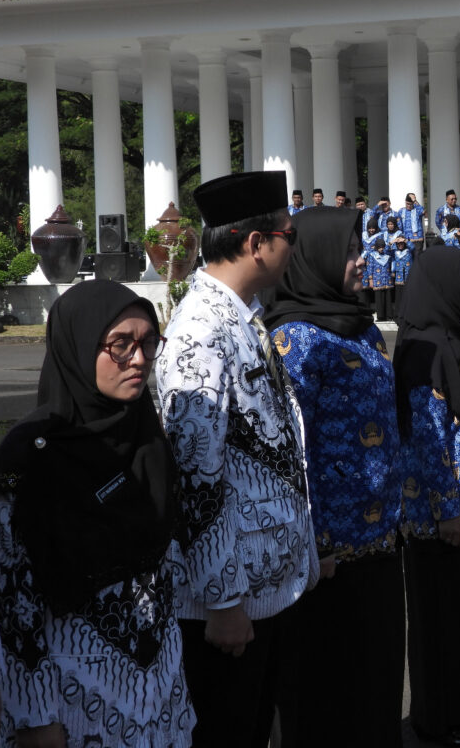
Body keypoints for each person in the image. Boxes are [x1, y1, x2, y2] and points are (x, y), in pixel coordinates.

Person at [0, 280, 194, 748]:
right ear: (78, 345)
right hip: (74, 706)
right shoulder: (30, 459)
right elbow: (12, 607)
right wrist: (38, 720)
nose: (138, 359)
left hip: (161, 695)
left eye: (147, 343)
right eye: (121, 344)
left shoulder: (146, 435)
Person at [157, 170, 320, 747]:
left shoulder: (240, 316)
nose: (292, 247)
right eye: (288, 235)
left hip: (265, 587)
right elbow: (196, 474)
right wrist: (223, 600)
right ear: (257, 243)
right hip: (229, 605)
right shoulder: (200, 333)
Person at [265, 207, 404, 746]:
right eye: (348, 251)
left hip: (379, 542)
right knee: (325, 692)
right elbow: (286, 452)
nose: (360, 259)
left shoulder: (363, 327)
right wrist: (308, 544)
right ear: (317, 257)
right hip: (325, 559)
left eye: (359, 247)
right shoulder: (296, 341)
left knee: (376, 684)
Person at [394, 247, 460, 748]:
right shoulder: (425, 351)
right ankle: (439, 718)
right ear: (447, 288)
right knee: (441, 620)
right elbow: (426, 443)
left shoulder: (451, 339)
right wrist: (449, 511)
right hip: (441, 517)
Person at [368, 233, 395, 321]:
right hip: (377, 280)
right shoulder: (372, 255)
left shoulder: (387, 255)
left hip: (387, 279)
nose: (381, 249)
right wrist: (370, 280)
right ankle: (380, 316)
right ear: (376, 247)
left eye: (382, 247)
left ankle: (389, 315)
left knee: (388, 298)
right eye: (379, 247)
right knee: (379, 298)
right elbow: (370, 267)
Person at [392, 234, 412, 312]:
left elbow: (413, 247)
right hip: (399, 278)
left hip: (407, 277)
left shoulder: (408, 251)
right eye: (398, 244)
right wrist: (393, 241)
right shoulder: (395, 252)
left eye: (401, 243)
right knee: (399, 298)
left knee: (407, 297)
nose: (400, 245)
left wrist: (405, 240)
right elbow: (386, 250)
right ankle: (398, 314)